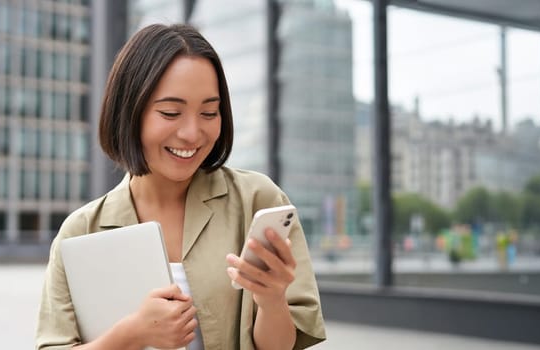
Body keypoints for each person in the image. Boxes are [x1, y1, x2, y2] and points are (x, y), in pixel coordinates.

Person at [36, 23, 326, 350]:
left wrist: (272, 299)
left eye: (209, 112)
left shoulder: (257, 200)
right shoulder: (81, 232)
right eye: (171, 112)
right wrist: (132, 333)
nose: (192, 133)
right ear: (129, 111)